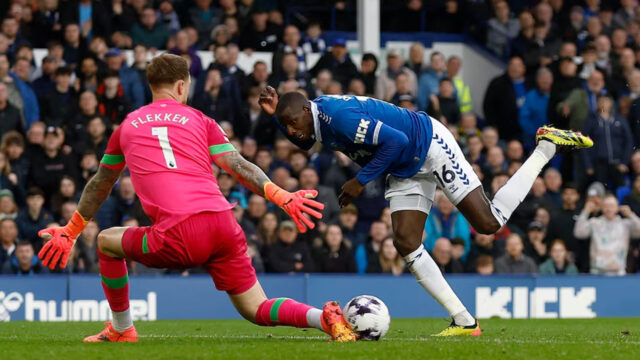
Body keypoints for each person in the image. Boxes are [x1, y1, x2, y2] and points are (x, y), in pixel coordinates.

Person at [36, 54, 356, 343]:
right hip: (223, 224)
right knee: (256, 308)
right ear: (180, 85)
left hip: (179, 233)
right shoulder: (200, 120)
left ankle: (122, 329)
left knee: (106, 241)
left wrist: (72, 229)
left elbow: (101, 182)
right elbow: (238, 166)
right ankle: (322, 318)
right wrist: (281, 195)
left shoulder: (127, 127)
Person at [259, 84, 590, 336]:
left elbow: (396, 142)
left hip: (428, 146)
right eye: (285, 125)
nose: (290, 131)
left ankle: (545, 147)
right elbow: (303, 139)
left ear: (306, 109)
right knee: (405, 241)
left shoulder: (340, 118)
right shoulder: (312, 117)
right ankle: (464, 321)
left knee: (489, 224)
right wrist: (276, 115)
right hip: (402, 167)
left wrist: (360, 181)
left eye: (291, 122)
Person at [574, 195, 640, 275]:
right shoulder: (595, 223)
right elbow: (579, 233)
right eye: (606, 206)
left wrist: (631, 215)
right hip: (597, 272)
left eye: (611, 206)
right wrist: (585, 212)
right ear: (602, 208)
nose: (608, 209)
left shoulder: (625, 224)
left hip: (618, 273)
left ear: (617, 208)